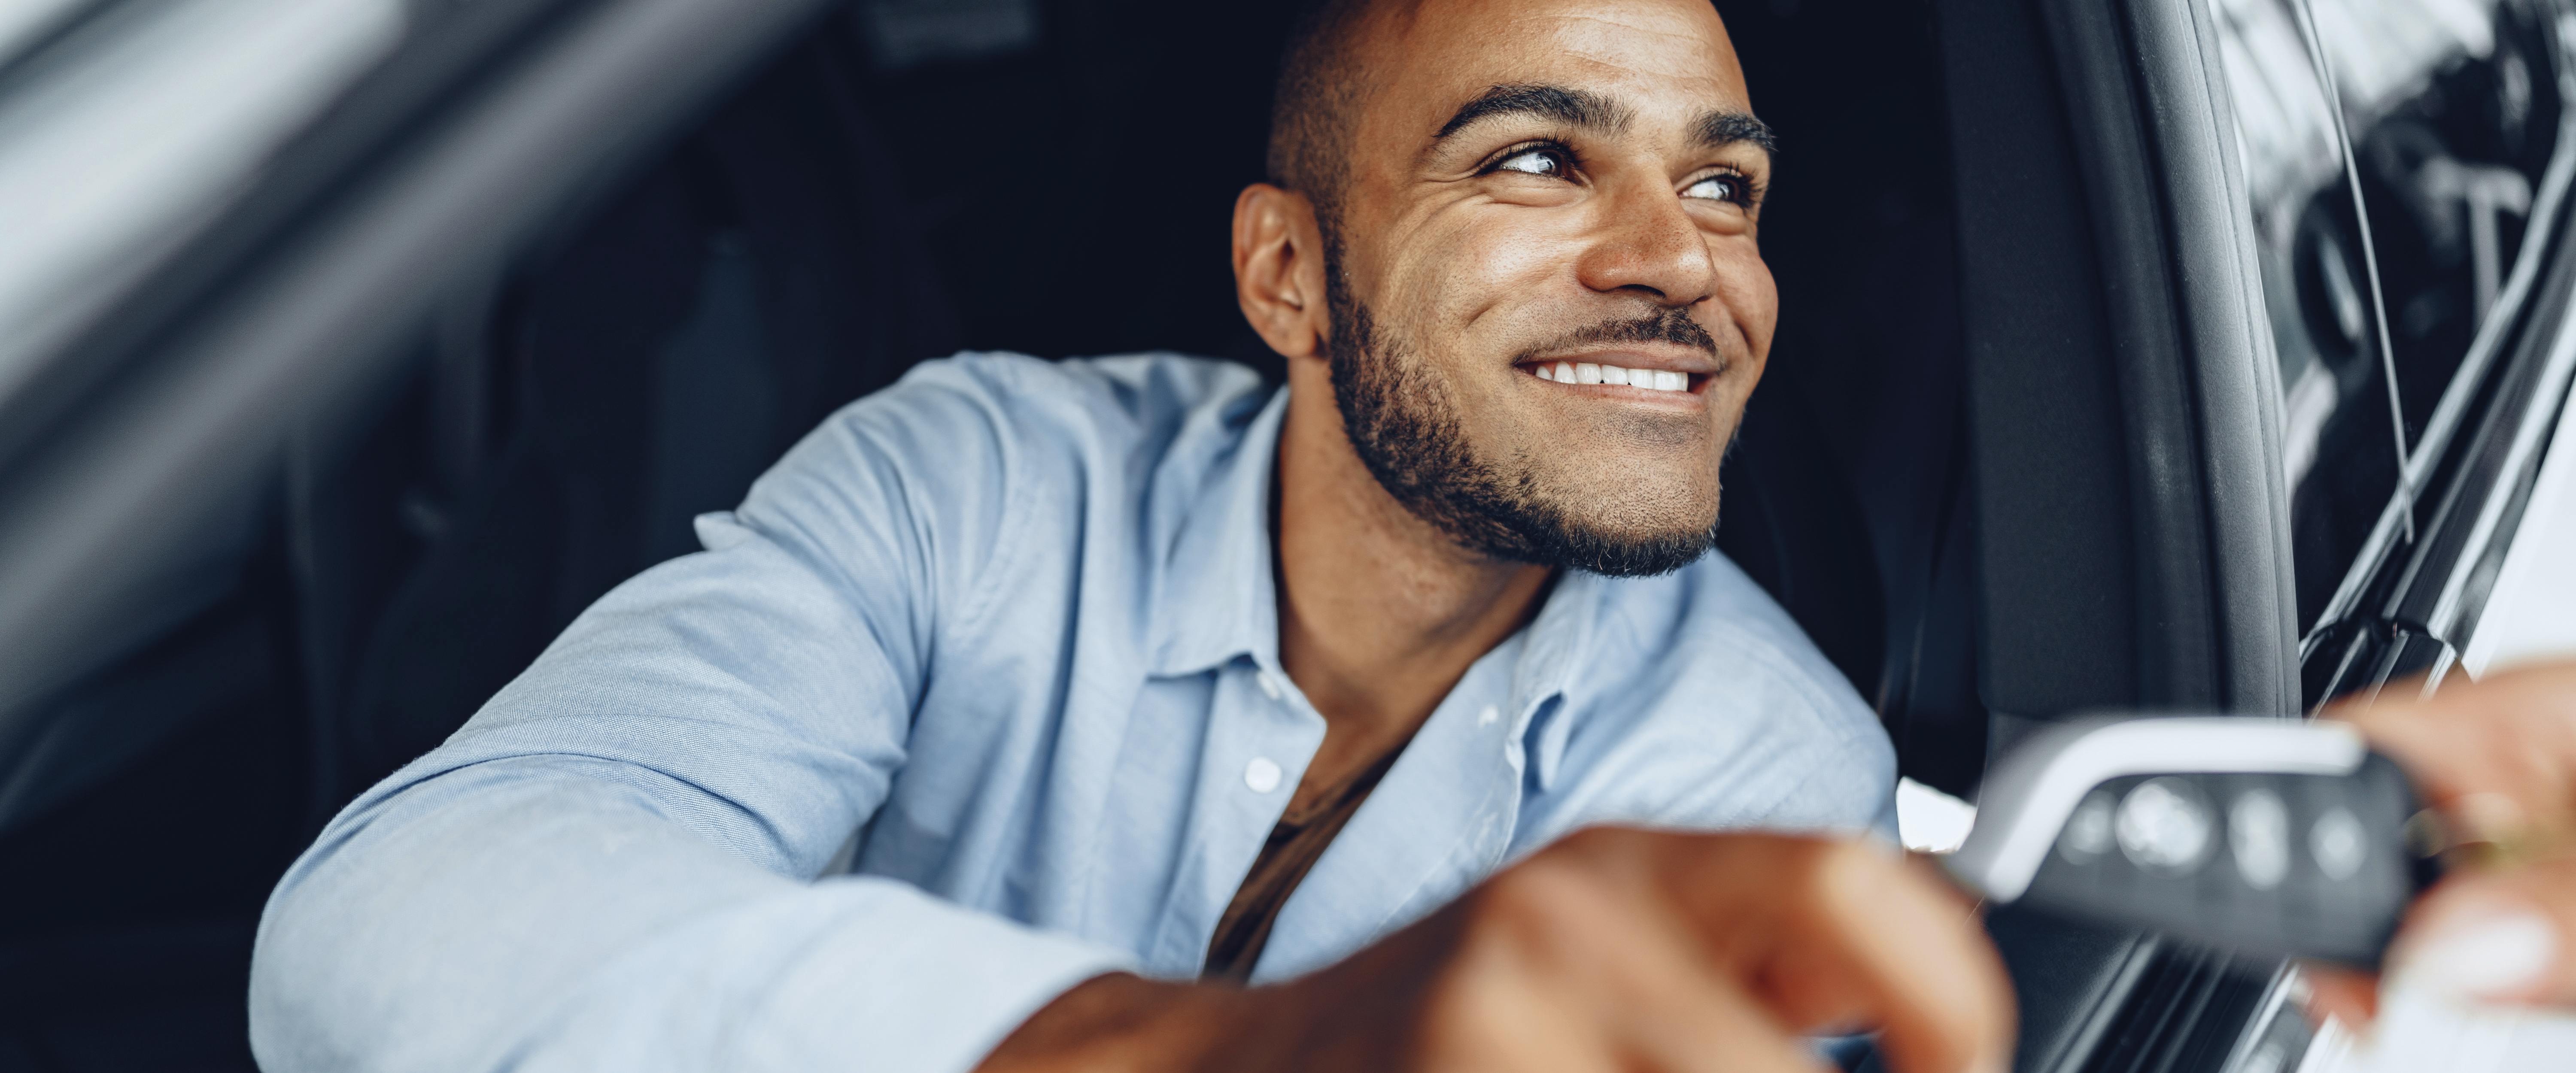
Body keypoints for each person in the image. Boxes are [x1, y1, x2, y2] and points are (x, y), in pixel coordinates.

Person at [245, 0, 2576, 1070]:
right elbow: (391, 923)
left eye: (1728, 182)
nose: (1688, 258)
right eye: (1540, 158)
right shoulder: (976, 478)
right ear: (1287, 277)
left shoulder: (1766, 774)